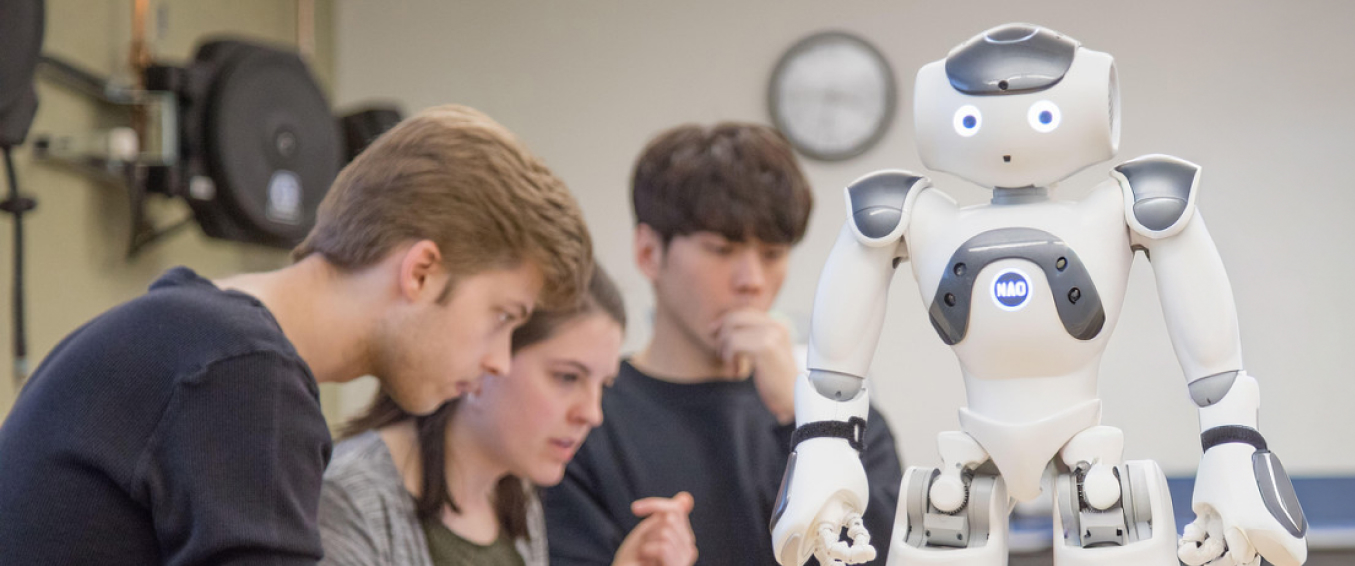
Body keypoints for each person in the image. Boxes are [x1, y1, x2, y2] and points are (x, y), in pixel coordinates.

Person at [0, 104, 593, 565]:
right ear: (420, 271)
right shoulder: (242, 377)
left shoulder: (191, 336)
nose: (499, 360)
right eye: (504, 317)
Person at [542, 123, 903, 565]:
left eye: (772, 254)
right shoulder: (583, 418)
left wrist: (804, 416)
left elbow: (880, 554)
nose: (751, 281)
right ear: (649, 253)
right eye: (721, 249)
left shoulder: (841, 417)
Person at [319, 264, 697, 566]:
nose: (592, 414)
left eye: (604, 384)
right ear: (486, 359)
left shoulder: (514, 495)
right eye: (567, 377)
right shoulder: (349, 498)